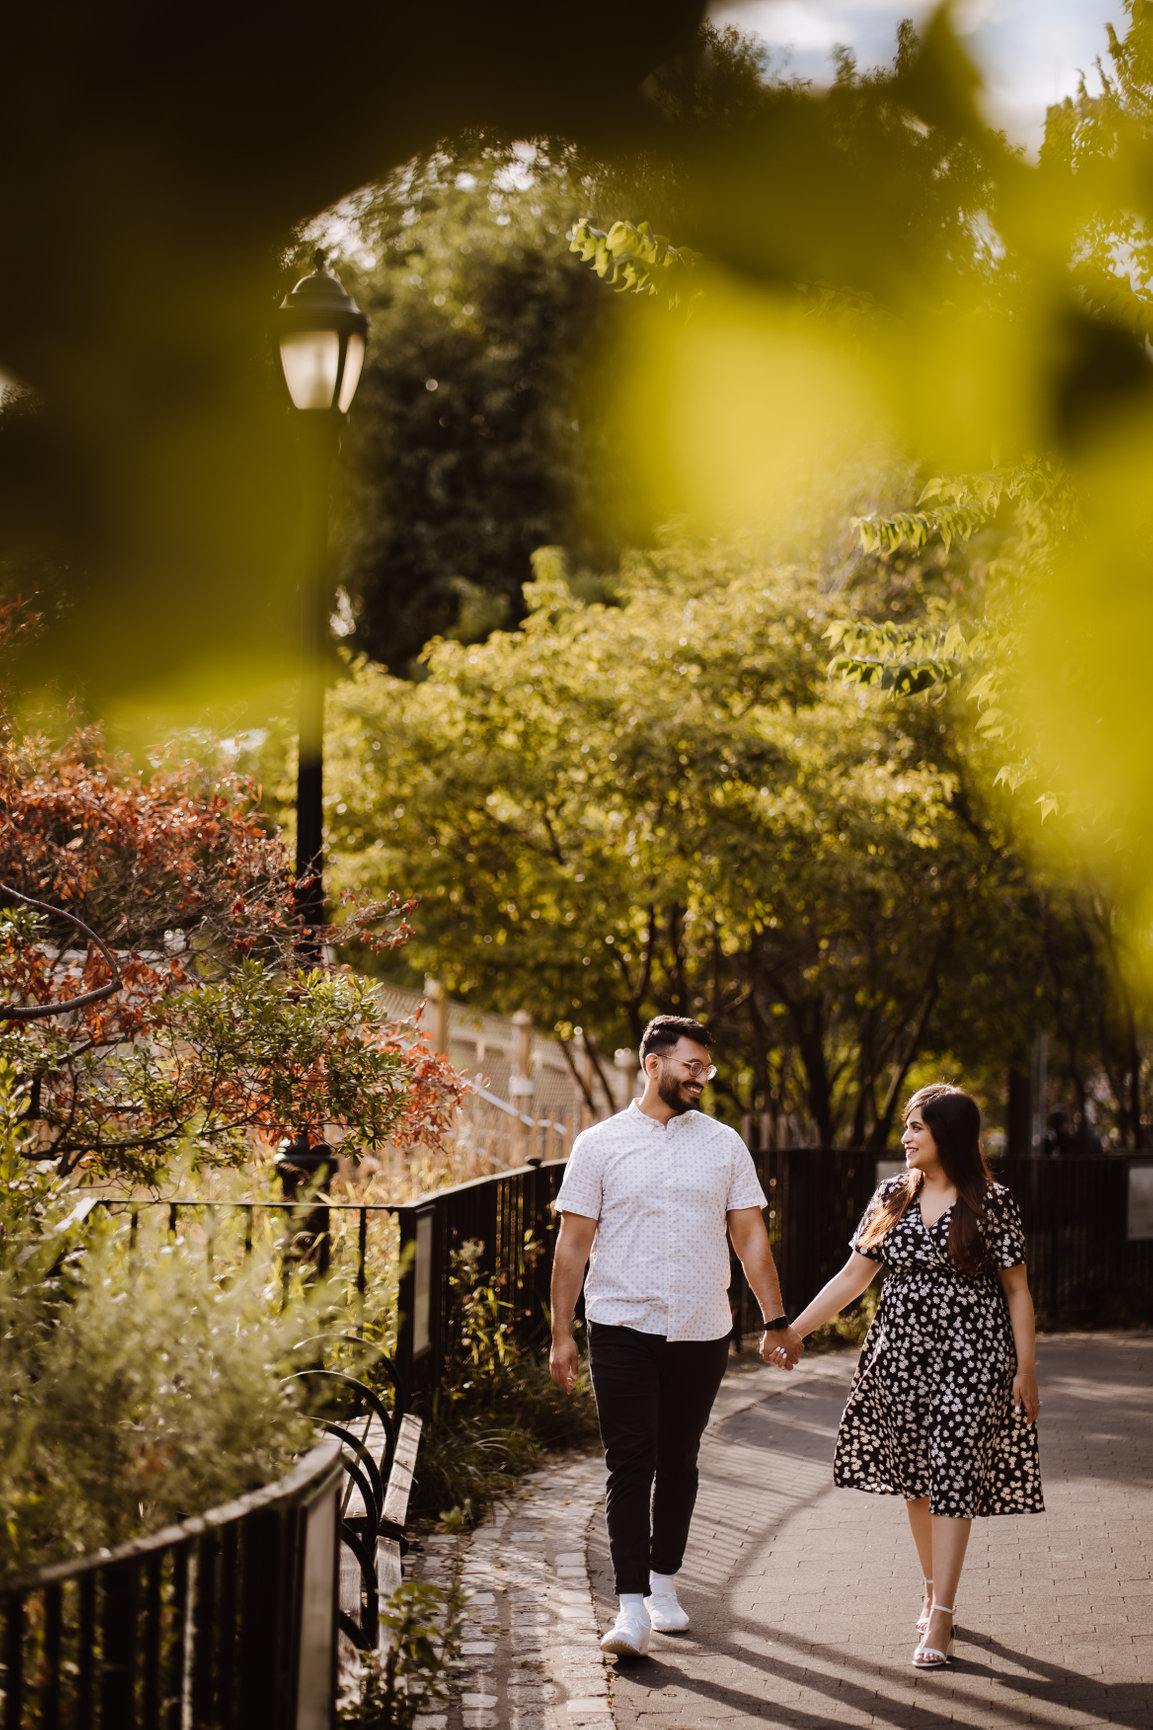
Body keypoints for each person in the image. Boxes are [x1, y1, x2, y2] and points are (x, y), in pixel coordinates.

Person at [549, 1014, 804, 1658]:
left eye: (706, 1068)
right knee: (629, 1460)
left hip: (700, 1328)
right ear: (652, 1063)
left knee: (679, 1459)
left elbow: (749, 1236)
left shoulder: (723, 1144)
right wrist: (561, 1334)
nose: (701, 1078)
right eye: (691, 1066)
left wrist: (774, 1320)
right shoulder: (598, 1145)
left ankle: (664, 1584)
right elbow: (572, 1245)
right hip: (620, 1326)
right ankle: (629, 1605)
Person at [784, 1083, 1043, 1669]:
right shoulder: (891, 1195)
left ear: (946, 1134)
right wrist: (795, 1331)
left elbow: (1018, 1290)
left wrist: (1026, 1370)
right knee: (919, 1482)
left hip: (973, 1357)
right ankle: (931, 1589)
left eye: (917, 1127)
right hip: (900, 1358)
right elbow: (852, 1278)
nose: (905, 1137)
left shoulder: (992, 1201)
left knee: (952, 1468)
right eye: (906, 1126)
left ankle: (943, 1618)